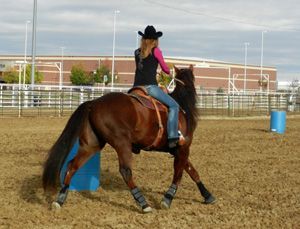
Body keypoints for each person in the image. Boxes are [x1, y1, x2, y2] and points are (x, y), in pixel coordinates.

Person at [133, 25, 185, 148]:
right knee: (174, 105)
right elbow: (165, 68)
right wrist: (167, 71)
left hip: (135, 88)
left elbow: (143, 68)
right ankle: (172, 136)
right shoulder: (156, 51)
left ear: (143, 39)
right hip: (149, 87)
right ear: (155, 40)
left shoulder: (136, 52)